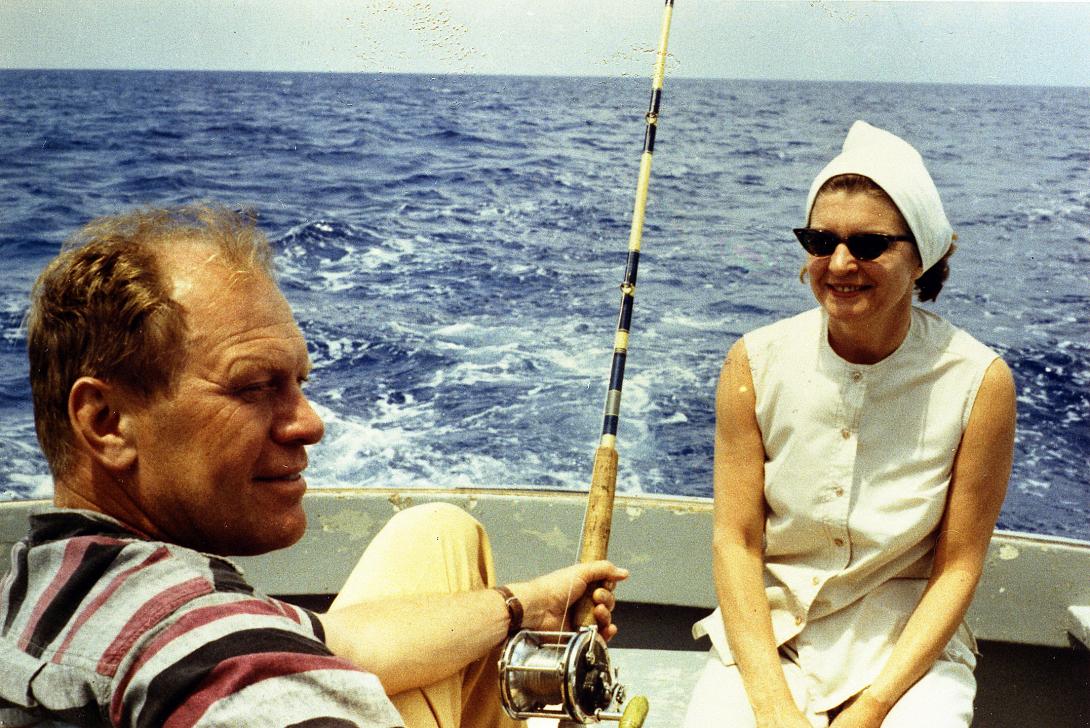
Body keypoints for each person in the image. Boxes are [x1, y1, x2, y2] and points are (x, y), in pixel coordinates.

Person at [0, 204, 628, 728]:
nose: (310, 422)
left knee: (437, 531)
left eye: (298, 382)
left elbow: (336, 640)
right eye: (253, 387)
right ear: (107, 421)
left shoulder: (43, 583)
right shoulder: (227, 663)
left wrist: (527, 604)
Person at [683, 121, 1016, 728]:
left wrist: (872, 709)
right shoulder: (752, 364)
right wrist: (773, 705)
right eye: (820, 240)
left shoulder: (980, 382)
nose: (839, 263)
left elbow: (958, 566)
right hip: (771, 641)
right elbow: (737, 543)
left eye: (868, 245)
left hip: (907, 655)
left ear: (924, 257)